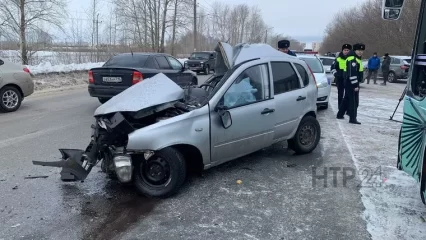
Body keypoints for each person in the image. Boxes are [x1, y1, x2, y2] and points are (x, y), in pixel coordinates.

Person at [336, 43, 365, 124]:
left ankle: (340, 114)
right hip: (352, 83)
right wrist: (355, 85)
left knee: (346, 99)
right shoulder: (353, 59)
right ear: (355, 50)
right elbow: (352, 74)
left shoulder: (355, 58)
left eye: (362, 51)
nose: (360, 52)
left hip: (349, 82)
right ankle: (352, 118)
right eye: (359, 50)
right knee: (354, 101)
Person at [330, 43, 352, 111]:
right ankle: (340, 107)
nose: (346, 51)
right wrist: (336, 74)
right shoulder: (338, 59)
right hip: (340, 79)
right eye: (345, 50)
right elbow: (333, 68)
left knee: (348, 94)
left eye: (347, 50)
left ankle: (347, 108)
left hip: (349, 79)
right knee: (340, 94)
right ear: (342, 51)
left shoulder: (352, 59)